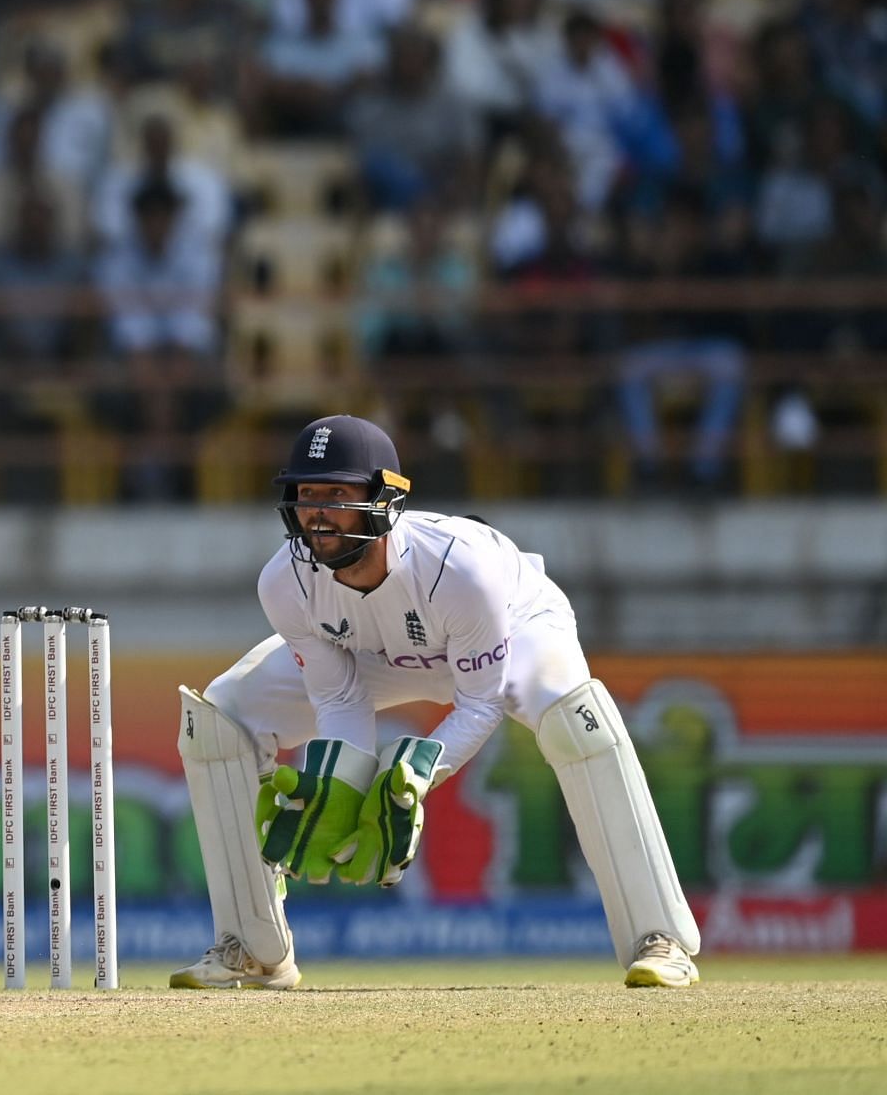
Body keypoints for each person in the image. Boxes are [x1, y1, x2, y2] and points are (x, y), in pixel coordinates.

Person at [170, 415, 701, 991]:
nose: (316, 512)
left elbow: (480, 702)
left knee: (577, 721)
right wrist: (346, 784)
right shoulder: (285, 581)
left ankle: (661, 938)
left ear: (383, 499)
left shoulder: (463, 569)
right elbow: (340, 696)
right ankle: (253, 947)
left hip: (514, 634)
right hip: (375, 654)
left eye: (337, 494)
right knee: (219, 718)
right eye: (305, 494)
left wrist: (413, 778)